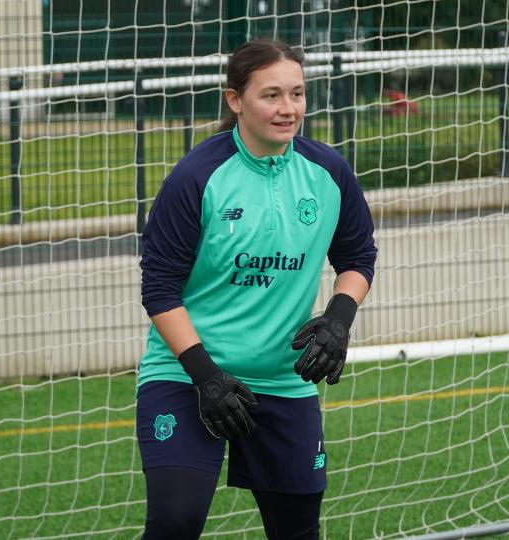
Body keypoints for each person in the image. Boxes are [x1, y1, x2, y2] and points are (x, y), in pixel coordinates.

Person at [136, 38, 377, 539]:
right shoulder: (196, 178)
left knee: (297, 532)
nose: (287, 109)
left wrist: (338, 317)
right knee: (175, 521)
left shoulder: (329, 173)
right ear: (234, 100)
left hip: (284, 379)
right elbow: (160, 290)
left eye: (297, 94)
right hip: (187, 375)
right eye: (271, 95)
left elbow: (357, 258)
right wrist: (205, 376)